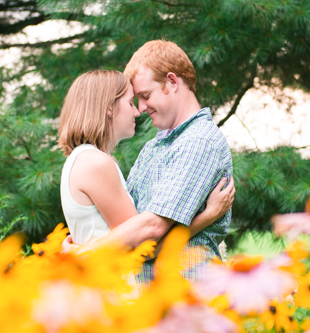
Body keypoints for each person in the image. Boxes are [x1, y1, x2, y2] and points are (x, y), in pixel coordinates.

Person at [82, 40, 234, 285]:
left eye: (145, 95)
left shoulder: (199, 142)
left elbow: (151, 229)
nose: (141, 108)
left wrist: (84, 255)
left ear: (172, 82)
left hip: (188, 293)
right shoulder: (155, 146)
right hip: (154, 298)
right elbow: (127, 224)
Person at [57, 69, 234, 248]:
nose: (137, 111)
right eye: (130, 102)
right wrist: (208, 216)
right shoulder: (96, 163)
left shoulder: (84, 159)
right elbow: (143, 245)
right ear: (109, 108)